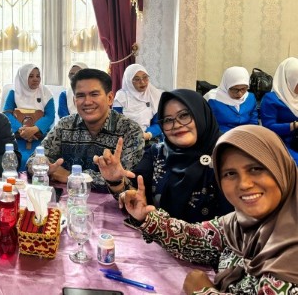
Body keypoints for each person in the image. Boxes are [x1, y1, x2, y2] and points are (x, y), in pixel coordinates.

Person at [120, 125, 298, 294]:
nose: (244, 184)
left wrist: (202, 290)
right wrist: (147, 217)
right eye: (230, 173)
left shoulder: (291, 253)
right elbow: (195, 239)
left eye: (256, 169)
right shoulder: (239, 223)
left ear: (281, 168)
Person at [96, 89, 233, 222]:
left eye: (184, 115)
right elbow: (134, 195)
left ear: (201, 114)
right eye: (167, 120)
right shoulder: (157, 153)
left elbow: (233, 223)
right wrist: (115, 181)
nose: (176, 125)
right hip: (154, 235)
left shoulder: (227, 156)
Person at [29, 68, 144, 190]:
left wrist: (71, 177)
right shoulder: (65, 125)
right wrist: (44, 167)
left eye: (94, 94)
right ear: (74, 101)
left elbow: (126, 178)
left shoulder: (130, 131)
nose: (87, 102)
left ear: (110, 98)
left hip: (111, 202)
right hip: (67, 200)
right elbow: (33, 161)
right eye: (80, 96)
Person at [3, 63, 55, 170]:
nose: (35, 79)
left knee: (41, 162)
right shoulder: (14, 93)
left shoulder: (46, 93)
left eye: (38, 76)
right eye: (31, 76)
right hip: (17, 137)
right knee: (15, 159)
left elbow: (50, 115)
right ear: (23, 78)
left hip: (40, 138)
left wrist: (34, 129)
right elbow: (7, 113)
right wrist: (22, 130)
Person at [113, 63, 163, 143]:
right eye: (137, 79)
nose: (142, 82)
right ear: (129, 81)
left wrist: (148, 134)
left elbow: (159, 123)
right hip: (126, 139)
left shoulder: (154, 95)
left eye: (145, 77)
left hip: (149, 137)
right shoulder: (121, 96)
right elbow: (115, 122)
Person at [260, 57, 298, 162]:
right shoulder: (271, 99)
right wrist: (293, 125)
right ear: (289, 80)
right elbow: (268, 128)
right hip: (280, 142)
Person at [204, 66, 258, 133]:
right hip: (221, 136)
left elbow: (253, 122)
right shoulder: (212, 99)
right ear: (226, 86)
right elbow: (207, 125)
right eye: (235, 89)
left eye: (243, 89)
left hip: (245, 135)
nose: (240, 94)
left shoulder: (250, 97)